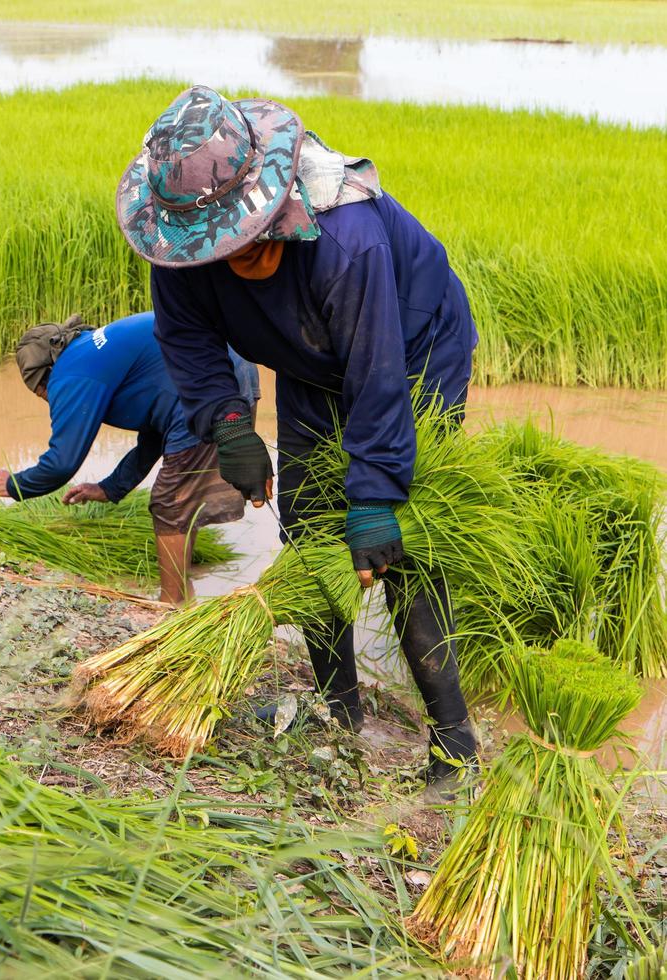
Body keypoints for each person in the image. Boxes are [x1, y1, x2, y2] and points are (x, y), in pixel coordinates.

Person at [114, 86, 478, 783]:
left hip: (411, 352)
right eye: (219, 252)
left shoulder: (347, 234)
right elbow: (186, 341)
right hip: (307, 359)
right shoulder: (182, 244)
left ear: (275, 207)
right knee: (308, 521)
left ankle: (454, 740)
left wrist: (373, 495)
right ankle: (338, 710)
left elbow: (376, 375)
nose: (234, 261)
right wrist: (227, 424)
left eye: (246, 246)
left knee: (399, 537)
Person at [0, 311, 259, 605]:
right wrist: (110, 487)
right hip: (230, 370)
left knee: (169, 501)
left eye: (40, 394)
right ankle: (184, 592)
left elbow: (61, 463)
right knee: (181, 497)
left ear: (43, 378)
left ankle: (170, 605)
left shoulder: (69, 375)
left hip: (211, 385)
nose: (48, 401)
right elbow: (156, 431)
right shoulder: (90, 352)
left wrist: (13, 485)